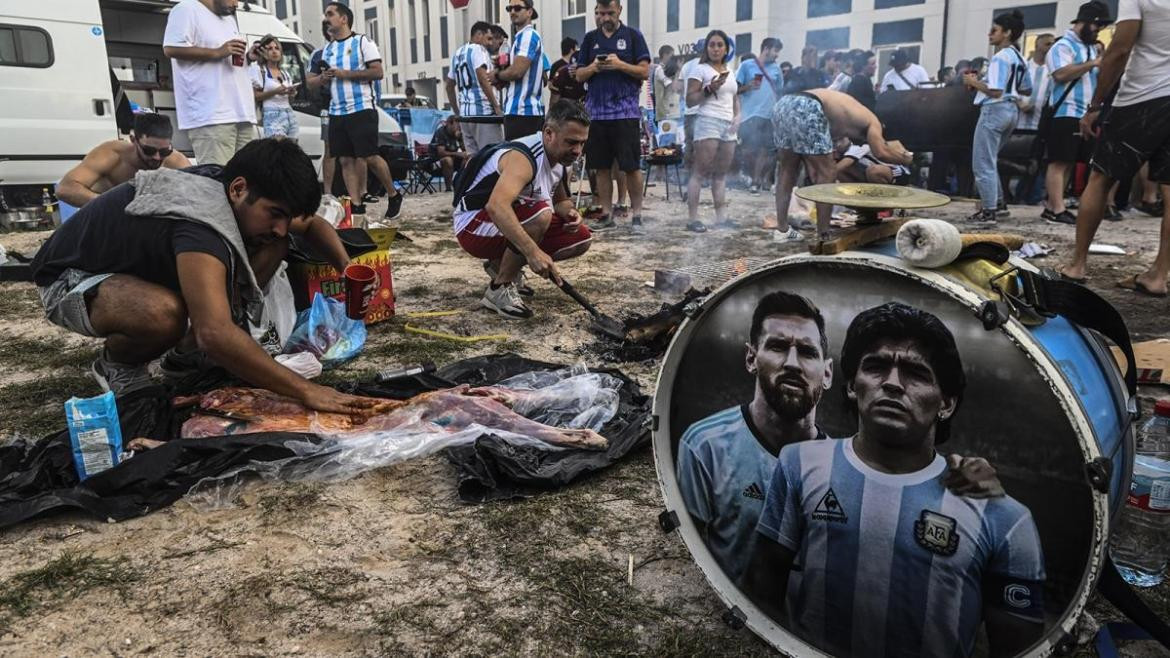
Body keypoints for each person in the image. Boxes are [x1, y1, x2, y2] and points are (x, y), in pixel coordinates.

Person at [743, 302, 1046, 658]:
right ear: (853, 385)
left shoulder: (1005, 518)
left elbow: (1018, 647)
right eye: (875, 366)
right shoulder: (799, 463)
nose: (892, 383)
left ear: (946, 403)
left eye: (916, 373)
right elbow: (762, 584)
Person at [30, 139, 376, 418]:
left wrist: (346, 269)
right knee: (164, 314)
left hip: (136, 269)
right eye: (276, 214)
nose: (282, 226)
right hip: (70, 280)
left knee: (275, 244)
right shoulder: (201, 224)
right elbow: (215, 333)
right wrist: (307, 391)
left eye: (288, 216)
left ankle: (183, 357)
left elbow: (312, 224)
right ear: (239, 189)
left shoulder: (240, 193)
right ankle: (118, 365)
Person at [1060, 0, 1170, 296]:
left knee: (1100, 178)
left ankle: (1077, 265)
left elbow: (1120, 49)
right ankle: (1159, 275)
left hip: (1142, 98)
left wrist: (1096, 105)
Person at [452, 100, 593, 320]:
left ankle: (501, 264)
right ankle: (499, 287)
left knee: (580, 237)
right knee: (540, 215)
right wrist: (533, 252)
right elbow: (496, 207)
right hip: (472, 227)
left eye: (583, 143)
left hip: (501, 223)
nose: (577, 150)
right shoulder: (524, 157)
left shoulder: (559, 159)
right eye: (571, 142)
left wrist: (570, 213)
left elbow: (561, 200)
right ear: (549, 133)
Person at [307, 2, 404, 221]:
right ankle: (357, 206)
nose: (326, 18)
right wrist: (322, 78)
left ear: (344, 19)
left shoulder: (362, 42)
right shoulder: (328, 49)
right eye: (325, 14)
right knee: (345, 161)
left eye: (330, 14)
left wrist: (345, 74)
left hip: (361, 108)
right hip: (337, 111)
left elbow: (378, 72)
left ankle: (393, 193)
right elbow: (310, 82)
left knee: (369, 155)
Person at [772, 88, 913, 238]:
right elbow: (881, 152)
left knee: (787, 170)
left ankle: (782, 231)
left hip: (784, 103)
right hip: (809, 105)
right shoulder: (874, 122)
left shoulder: (851, 115)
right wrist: (906, 159)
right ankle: (823, 234)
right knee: (828, 173)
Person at [574, 0, 651, 233]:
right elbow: (579, 75)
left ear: (619, 10)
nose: (605, 18)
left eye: (609, 13)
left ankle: (637, 214)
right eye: (600, 13)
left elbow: (645, 71)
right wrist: (594, 68)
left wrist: (619, 64)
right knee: (601, 167)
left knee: (631, 166)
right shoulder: (590, 39)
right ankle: (606, 213)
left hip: (625, 112)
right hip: (597, 114)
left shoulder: (633, 36)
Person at [162, 0, 256, 166]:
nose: (237, 4)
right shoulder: (186, 9)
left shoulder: (228, 19)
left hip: (241, 111)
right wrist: (218, 52)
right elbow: (171, 48)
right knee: (216, 181)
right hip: (212, 114)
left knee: (245, 178)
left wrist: (249, 57)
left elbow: (229, 60)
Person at [1042, 1, 1110, 225]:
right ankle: (1057, 209)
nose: (1098, 30)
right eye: (1095, 25)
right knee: (1059, 161)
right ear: (1082, 22)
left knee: (1070, 161)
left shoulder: (1090, 47)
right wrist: (1092, 63)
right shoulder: (1063, 46)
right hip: (1066, 110)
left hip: (1085, 112)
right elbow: (1060, 74)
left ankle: (1054, 205)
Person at [965, 10, 1031, 224]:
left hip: (994, 109)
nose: (989, 34)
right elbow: (1027, 89)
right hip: (1012, 110)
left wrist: (974, 82)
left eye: (994, 30)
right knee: (990, 158)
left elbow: (995, 91)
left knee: (982, 161)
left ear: (1007, 32)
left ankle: (989, 210)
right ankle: (999, 204)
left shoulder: (1000, 57)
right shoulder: (1019, 57)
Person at [56, 113, 192, 213]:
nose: (157, 157)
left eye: (164, 152)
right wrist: (116, 204)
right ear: (133, 140)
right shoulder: (111, 154)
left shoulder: (176, 162)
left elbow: (199, 197)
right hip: (106, 218)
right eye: (149, 150)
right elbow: (65, 189)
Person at [684, 31, 740, 234]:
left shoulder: (730, 71)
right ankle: (693, 219)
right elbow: (690, 100)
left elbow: (734, 99)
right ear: (707, 48)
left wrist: (738, 117)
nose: (716, 49)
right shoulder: (700, 69)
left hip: (728, 124)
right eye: (712, 45)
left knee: (721, 174)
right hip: (708, 121)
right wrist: (708, 89)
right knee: (699, 172)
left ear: (726, 48)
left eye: (719, 45)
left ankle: (721, 218)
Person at [446, 21, 505, 156]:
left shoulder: (457, 54)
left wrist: (457, 112)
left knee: (474, 161)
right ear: (478, 35)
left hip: (466, 116)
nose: (490, 43)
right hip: (483, 113)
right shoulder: (478, 49)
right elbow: (482, 78)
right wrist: (496, 107)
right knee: (492, 159)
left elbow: (449, 86)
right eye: (488, 38)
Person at [735, 38, 784, 196]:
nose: (777, 55)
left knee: (765, 150)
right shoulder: (746, 65)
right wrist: (747, 86)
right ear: (766, 49)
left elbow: (779, 91)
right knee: (748, 150)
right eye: (775, 51)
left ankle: (756, 181)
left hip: (768, 115)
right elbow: (734, 89)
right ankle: (750, 176)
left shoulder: (776, 69)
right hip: (749, 115)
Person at [491, 0, 546, 140]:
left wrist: (497, 76)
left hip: (523, 112)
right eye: (509, 8)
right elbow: (543, 77)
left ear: (529, 12)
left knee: (518, 160)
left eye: (517, 8)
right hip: (521, 111)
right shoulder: (520, 38)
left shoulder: (528, 35)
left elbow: (517, 71)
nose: (512, 12)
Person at [249, 34, 299, 141]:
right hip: (272, 114)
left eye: (277, 48)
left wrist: (292, 94)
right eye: (270, 49)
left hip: (289, 114)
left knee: (292, 153)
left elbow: (290, 101)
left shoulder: (285, 73)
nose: (274, 51)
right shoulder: (259, 70)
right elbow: (256, 96)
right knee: (277, 152)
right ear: (263, 52)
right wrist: (275, 91)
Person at [309, 21, 338, 195]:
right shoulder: (319, 54)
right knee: (330, 149)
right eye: (328, 28)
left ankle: (360, 192)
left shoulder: (354, 49)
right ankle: (327, 193)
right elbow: (308, 83)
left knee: (354, 152)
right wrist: (322, 78)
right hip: (328, 106)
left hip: (352, 106)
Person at [679, 41, 706, 174]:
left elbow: (679, 88)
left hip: (689, 111)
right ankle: (701, 175)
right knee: (703, 145)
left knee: (689, 143)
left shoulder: (686, 66)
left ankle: (688, 173)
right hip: (704, 111)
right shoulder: (708, 65)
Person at [836, 140, 912, 185]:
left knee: (873, 171)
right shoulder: (842, 153)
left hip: (899, 172)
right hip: (872, 175)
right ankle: (858, 200)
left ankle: (883, 204)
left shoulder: (858, 144)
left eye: (841, 139)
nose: (838, 143)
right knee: (841, 172)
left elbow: (845, 163)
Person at [430, 120, 467, 190]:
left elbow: (464, 150)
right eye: (457, 126)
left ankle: (461, 185)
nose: (459, 128)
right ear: (450, 124)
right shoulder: (441, 132)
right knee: (448, 160)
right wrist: (458, 154)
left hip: (453, 160)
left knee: (467, 159)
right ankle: (448, 188)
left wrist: (460, 139)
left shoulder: (457, 134)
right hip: (435, 161)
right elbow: (441, 153)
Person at [549, 37, 586, 105]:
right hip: (564, 104)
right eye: (576, 48)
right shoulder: (560, 69)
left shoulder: (555, 65)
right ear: (572, 50)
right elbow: (552, 86)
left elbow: (550, 84)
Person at [652, 45, 682, 124]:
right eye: (671, 55)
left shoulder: (668, 69)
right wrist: (678, 71)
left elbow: (679, 88)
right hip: (666, 114)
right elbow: (674, 87)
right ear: (665, 55)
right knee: (668, 136)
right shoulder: (660, 70)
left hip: (673, 112)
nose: (673, 58)